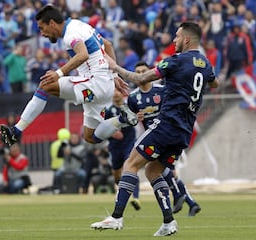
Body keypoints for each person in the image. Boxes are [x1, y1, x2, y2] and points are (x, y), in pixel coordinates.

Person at [91, 22, 218, 236]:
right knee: (152, 170)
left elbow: (140, 78)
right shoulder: (205, 63)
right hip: (184, 131)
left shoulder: (175, 61)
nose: (174, 41)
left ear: (186, 40)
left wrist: (115, 68)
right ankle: (169, 222)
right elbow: (213, 84)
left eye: (177, 37)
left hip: (167, 124)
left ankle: (116, 217)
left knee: (130, 164)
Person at [0, 4, 137, 148]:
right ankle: (122, 119)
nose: (42, 33)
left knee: (45, 85)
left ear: (52, 23)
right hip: (104, 85)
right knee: (90, 136)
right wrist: (113, 74)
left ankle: (16, 130)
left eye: (42, 28)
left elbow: (82, 54)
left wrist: (58, 73)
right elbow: (107, 45)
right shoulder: (80, 25)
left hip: (94, 83)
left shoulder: (70, 34)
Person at [128, 61, 201, 217]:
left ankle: (181, 197)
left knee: (165, 170)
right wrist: (136, 117)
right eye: (138, 72)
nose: (141, 74)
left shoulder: (161, 91)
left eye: (143, 71)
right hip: (153, 138)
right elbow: (132, 118)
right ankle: (190, 202)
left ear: (150, 73)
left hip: (167, 135)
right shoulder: (133, 97)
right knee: (167, 171)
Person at [105, 89, 140, 210]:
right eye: (113, 91)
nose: (115, 93)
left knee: (130, 167)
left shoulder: (129, 107)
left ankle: (136, 197)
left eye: (117, 91)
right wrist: (111, 133)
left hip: (129, 144)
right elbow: (101, 129)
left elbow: (137, 119)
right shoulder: (108, 110)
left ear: (122, 93)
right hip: (115, 147)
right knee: (116, 175)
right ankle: (123, 193)